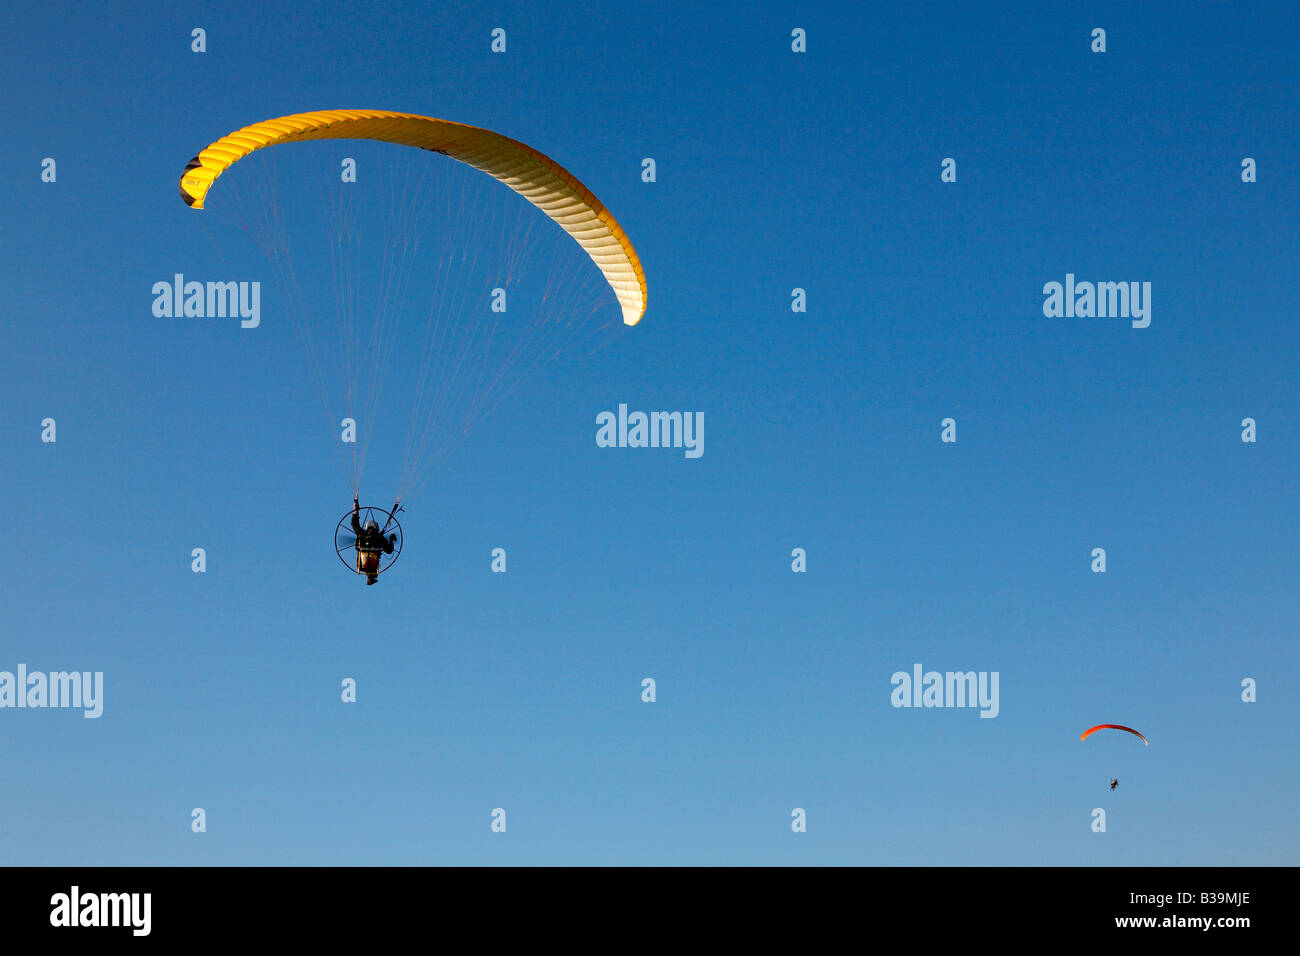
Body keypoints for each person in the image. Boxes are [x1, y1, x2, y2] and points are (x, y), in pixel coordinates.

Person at [351, 497, 396, 585]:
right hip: (371, 562)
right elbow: (389, 550)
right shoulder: (379, 538)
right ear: (376, 527)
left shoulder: (362, 535)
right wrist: (391, 540)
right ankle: (370, 577)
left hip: (365, 562)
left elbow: (354, 524)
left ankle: (370, 577)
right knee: (370, 565)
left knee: (369, 565)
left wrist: (355, 511)